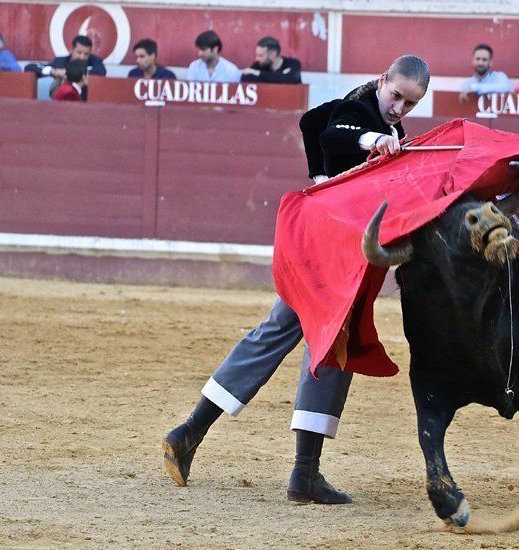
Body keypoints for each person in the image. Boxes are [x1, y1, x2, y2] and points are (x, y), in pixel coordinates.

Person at [163, 55, 431, 505]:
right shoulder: (362, 111)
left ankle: (190, 432)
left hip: (330, 242)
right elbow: (332, 132)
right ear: (382, 80)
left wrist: (321, 178)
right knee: (330, 343)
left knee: (279, 331)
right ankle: (302, 474)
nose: (399, 108)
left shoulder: (387, 125)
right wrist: (371, 142)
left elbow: (310, 122)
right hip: (334, 247)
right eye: (396, 95)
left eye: (410, 103)